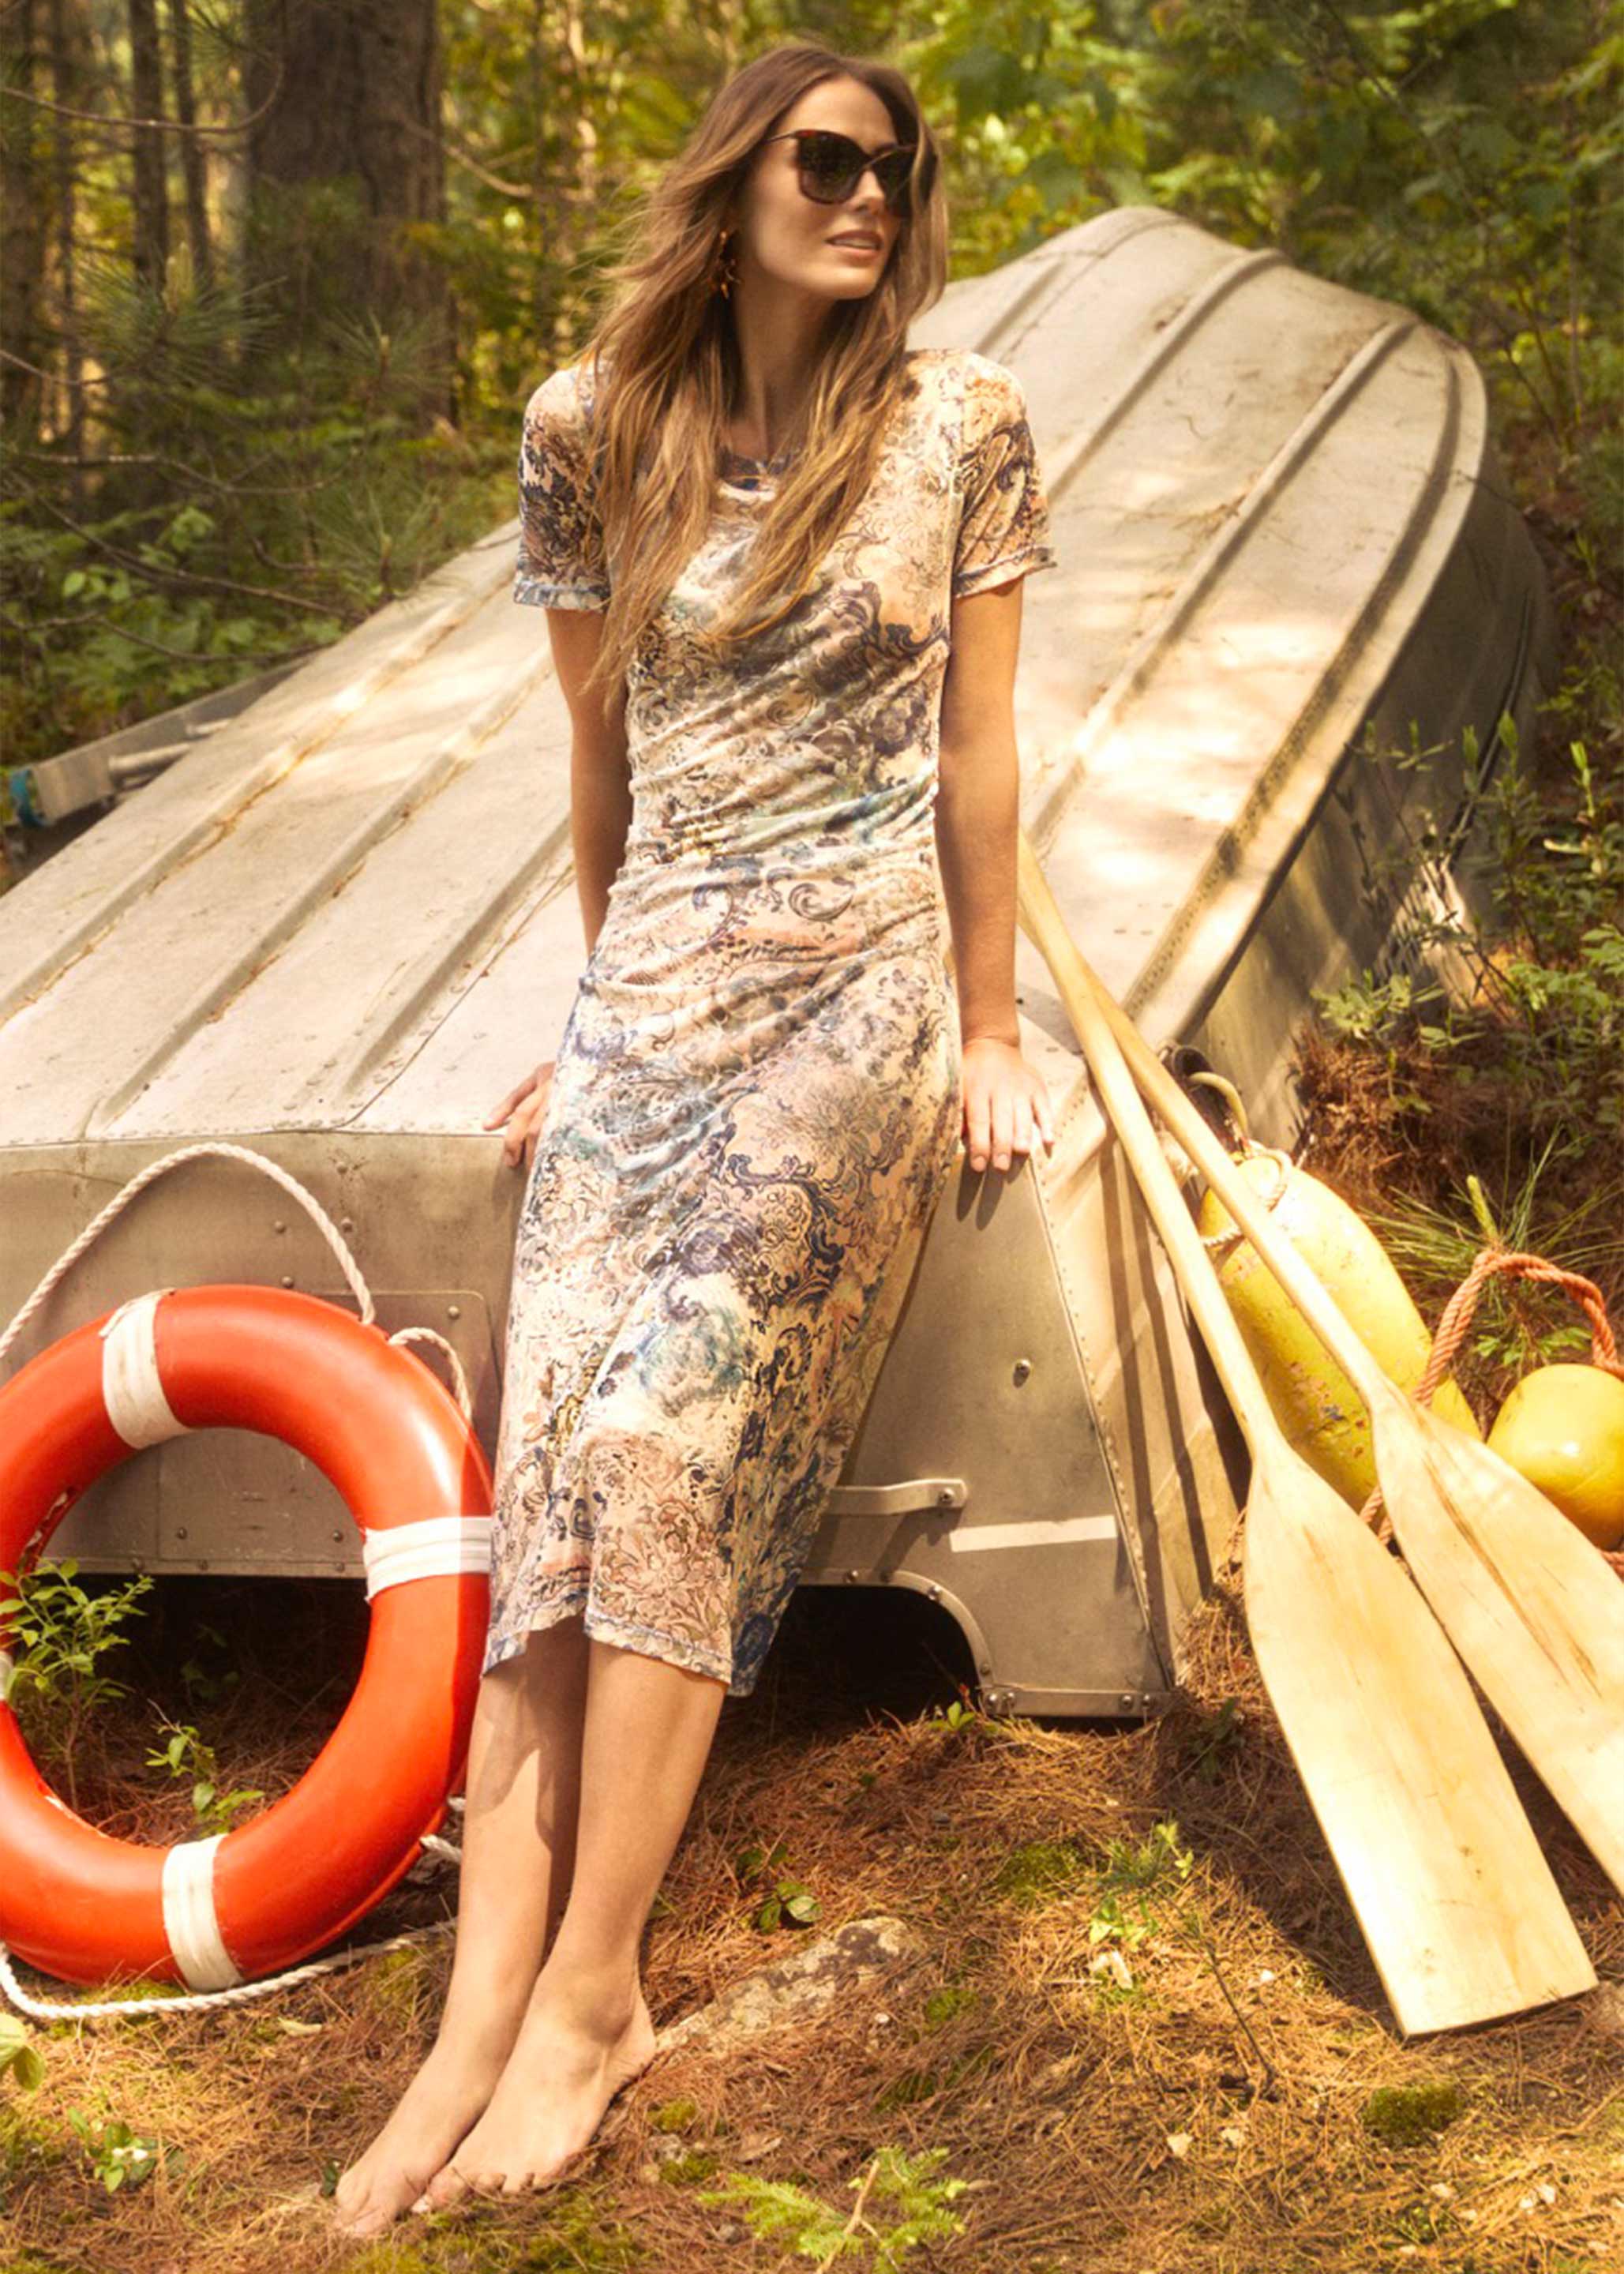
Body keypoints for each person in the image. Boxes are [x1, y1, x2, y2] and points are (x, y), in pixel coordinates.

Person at [332, 36, 1058, 2240]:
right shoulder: (589, 432)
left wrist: (986, 1021)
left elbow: (979, 759)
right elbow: (597, 762)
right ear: (738, 179)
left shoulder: (963, 426)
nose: (865, 198)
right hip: (653, 993)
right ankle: (471, 2023)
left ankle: (588, 1995)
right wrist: (592, 1018)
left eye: (892, 172)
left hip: (849, 999)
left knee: (655, 1453)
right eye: (826, 160)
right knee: (553, 1479)